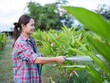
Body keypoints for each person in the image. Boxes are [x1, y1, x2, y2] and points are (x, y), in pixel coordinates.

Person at [12, 15, 66, 83]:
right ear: (23, 26)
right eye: (31, 25)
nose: (33, 27)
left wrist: (41, 59)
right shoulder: (21, 43)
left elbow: (33, 57)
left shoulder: (31, 40)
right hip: (24, 80)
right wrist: (55, 59)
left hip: (33, 78)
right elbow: (35, 59)